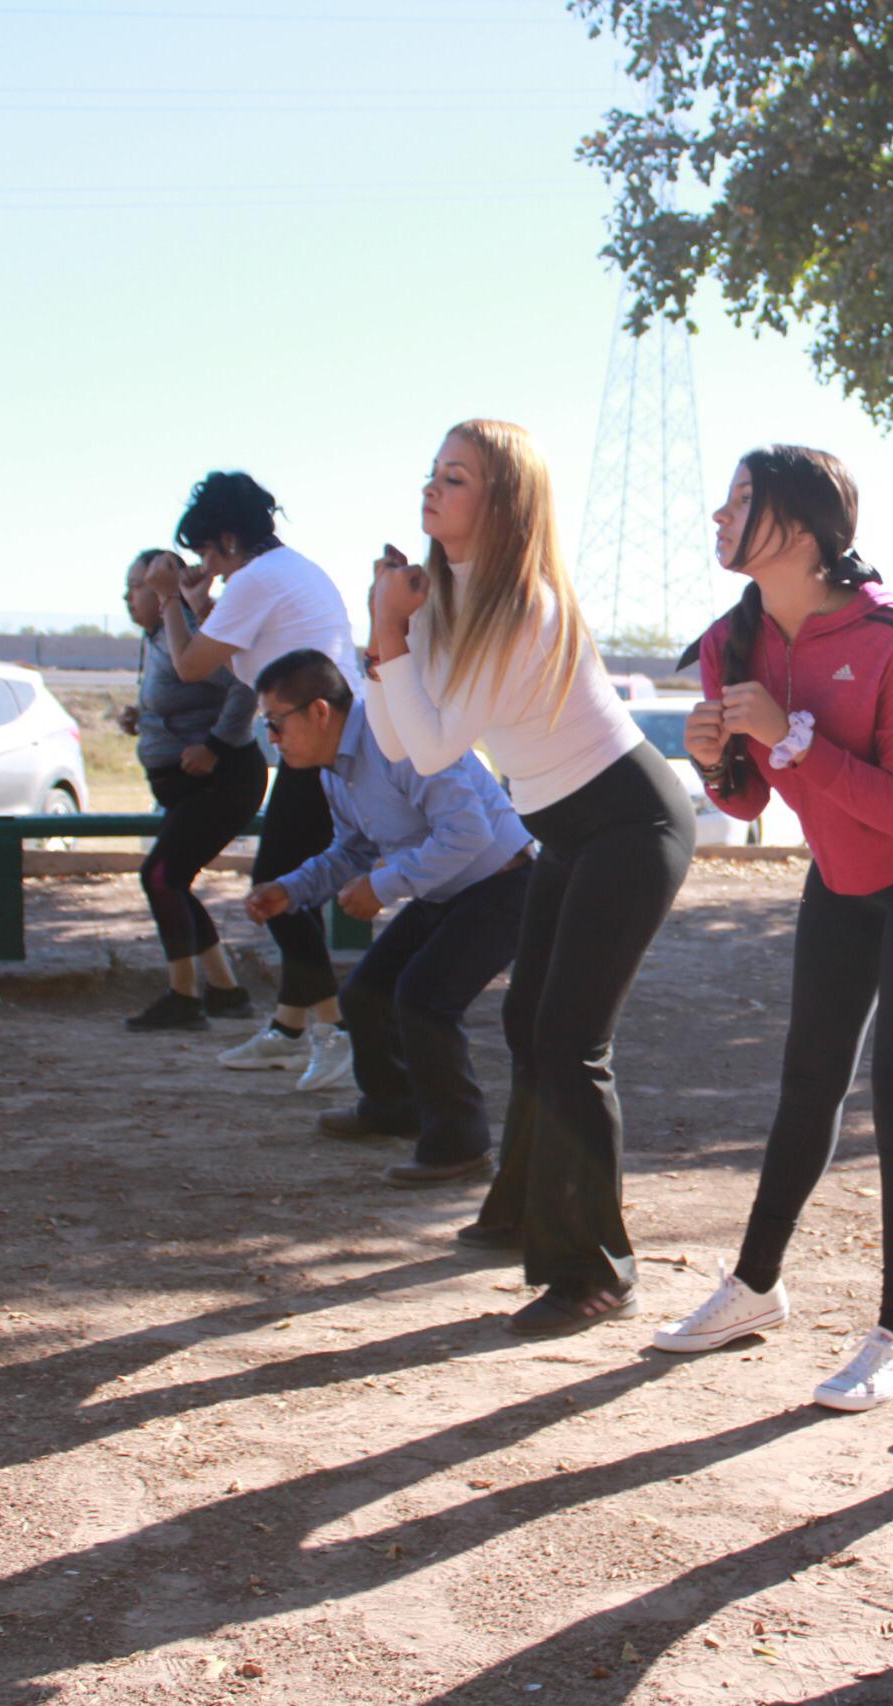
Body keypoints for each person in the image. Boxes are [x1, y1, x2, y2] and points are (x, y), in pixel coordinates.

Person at [648, 446, 893, 1411]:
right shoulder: (730, 642)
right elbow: (749, 797)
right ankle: (756, 1287)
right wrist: (716, 758)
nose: (719, 516)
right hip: (841, 878)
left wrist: (789, 733)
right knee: (808, 1083)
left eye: (742, 501)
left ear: (800, 529)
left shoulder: (891, 633)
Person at [363, 419, 694, 1337]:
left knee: (570, 1037)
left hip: (630, 822)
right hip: (567, 831)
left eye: (455, 477)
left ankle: (597, 1271)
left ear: (503, 502)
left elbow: (436, 749)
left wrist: (389, 629)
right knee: (529, 1024)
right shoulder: (448, 600)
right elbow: (396, 739)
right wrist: (388, 631)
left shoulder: (521, 606)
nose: (432, 489)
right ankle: (520, 1212)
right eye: (432, 473)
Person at [245, 648, 536, 1184]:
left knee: (424, 1001)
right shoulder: (336, 771)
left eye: (275, 723)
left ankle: (461, 1145)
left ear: (319, 712)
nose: (272, 739)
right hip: (445, 889)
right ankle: (394, 1108)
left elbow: (469, 834)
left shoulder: (395, 739)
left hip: (502, 884)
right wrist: (291, 889)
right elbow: (353, 850)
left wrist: (382, 886)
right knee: (366, 993)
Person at [144, 471, 360, 1094]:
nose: (207, 566)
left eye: (208, 552)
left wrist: (168, 600)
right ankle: (290, 1032)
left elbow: (191, 665)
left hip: (322, 747)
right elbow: (242, 656)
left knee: (276, 889)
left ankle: (337, 1031)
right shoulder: (287, 571)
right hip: (329, 740)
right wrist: (196, 604)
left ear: (229, 540)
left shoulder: (256, 579)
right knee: (285, 884)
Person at [119, 547, 265, 1031]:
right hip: (184, 785)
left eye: (136, 586)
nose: (127, 597)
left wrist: (215, 746)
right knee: (173, 880)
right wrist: (143, 718)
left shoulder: (192, 629)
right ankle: (226, 990)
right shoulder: (157, 637)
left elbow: (245, 685)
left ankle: (183, 997)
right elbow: (181, 697)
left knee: (159, 876)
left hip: (224, 780)